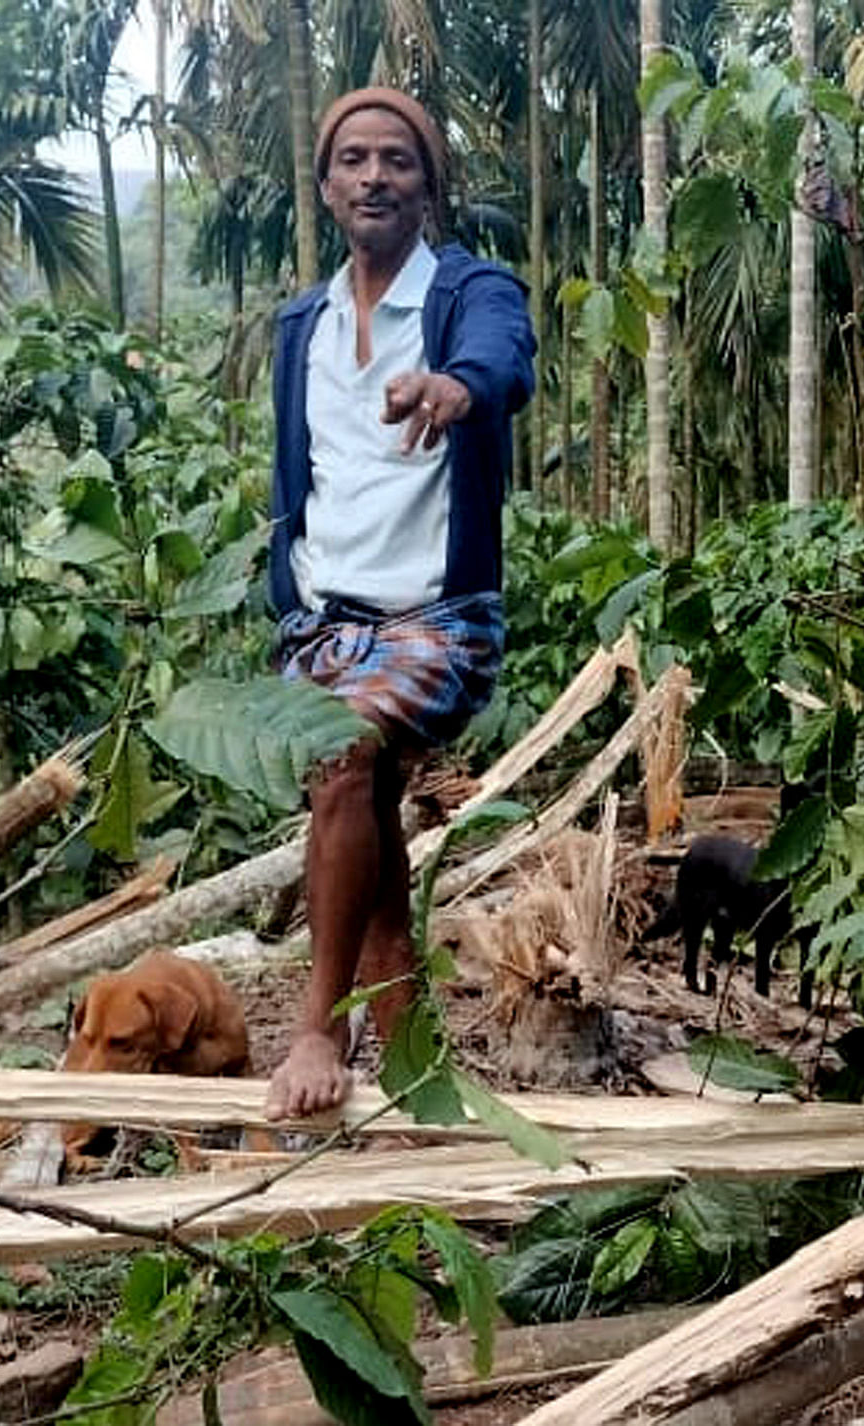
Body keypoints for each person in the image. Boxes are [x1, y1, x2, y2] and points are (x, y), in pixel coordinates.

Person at [262, 87, 535, 1119]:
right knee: (367, 832)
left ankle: (316, 1028)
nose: (376, 176)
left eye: (399, 161)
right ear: (328, 184)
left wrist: (456, 389)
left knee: (343, 766)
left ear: (428, 186)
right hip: (323, 623)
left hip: (437, 624)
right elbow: (307, 475)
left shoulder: (469, 294)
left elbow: (505, 358)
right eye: (355, 160)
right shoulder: (306, 325)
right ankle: (421, 1090)